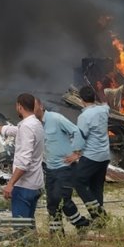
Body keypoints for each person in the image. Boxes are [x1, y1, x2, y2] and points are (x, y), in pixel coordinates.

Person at [0, 93, 43, 224]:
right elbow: (10, 130)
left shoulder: (26, 127)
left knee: (21, 227)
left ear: (19, 106)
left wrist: (10, 184)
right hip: (35, 184)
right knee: (28, 225)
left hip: (24, 186)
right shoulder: (35, 124)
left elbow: (24, 162)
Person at [34, 99, 91, 234]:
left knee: (62, 200)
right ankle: (58, 233)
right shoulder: (34, 125)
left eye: (34, 106)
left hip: (65, 168)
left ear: (41, 106)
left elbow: (76, 131)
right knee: (52, 202)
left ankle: (81, 224)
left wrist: (77, 153)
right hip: (50, 169)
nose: (32, 110)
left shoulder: (56, 119)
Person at [65, 85, 110, 224]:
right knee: (96, 186)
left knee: (78, 181)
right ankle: (99, 222)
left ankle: (99, 214)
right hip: (104, 156)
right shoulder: (104, 110)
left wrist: (75, 153)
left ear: (81, 100)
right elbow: (106, 104)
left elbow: (81, 136)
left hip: (92, 156)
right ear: (94, 98)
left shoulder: (84, 116)